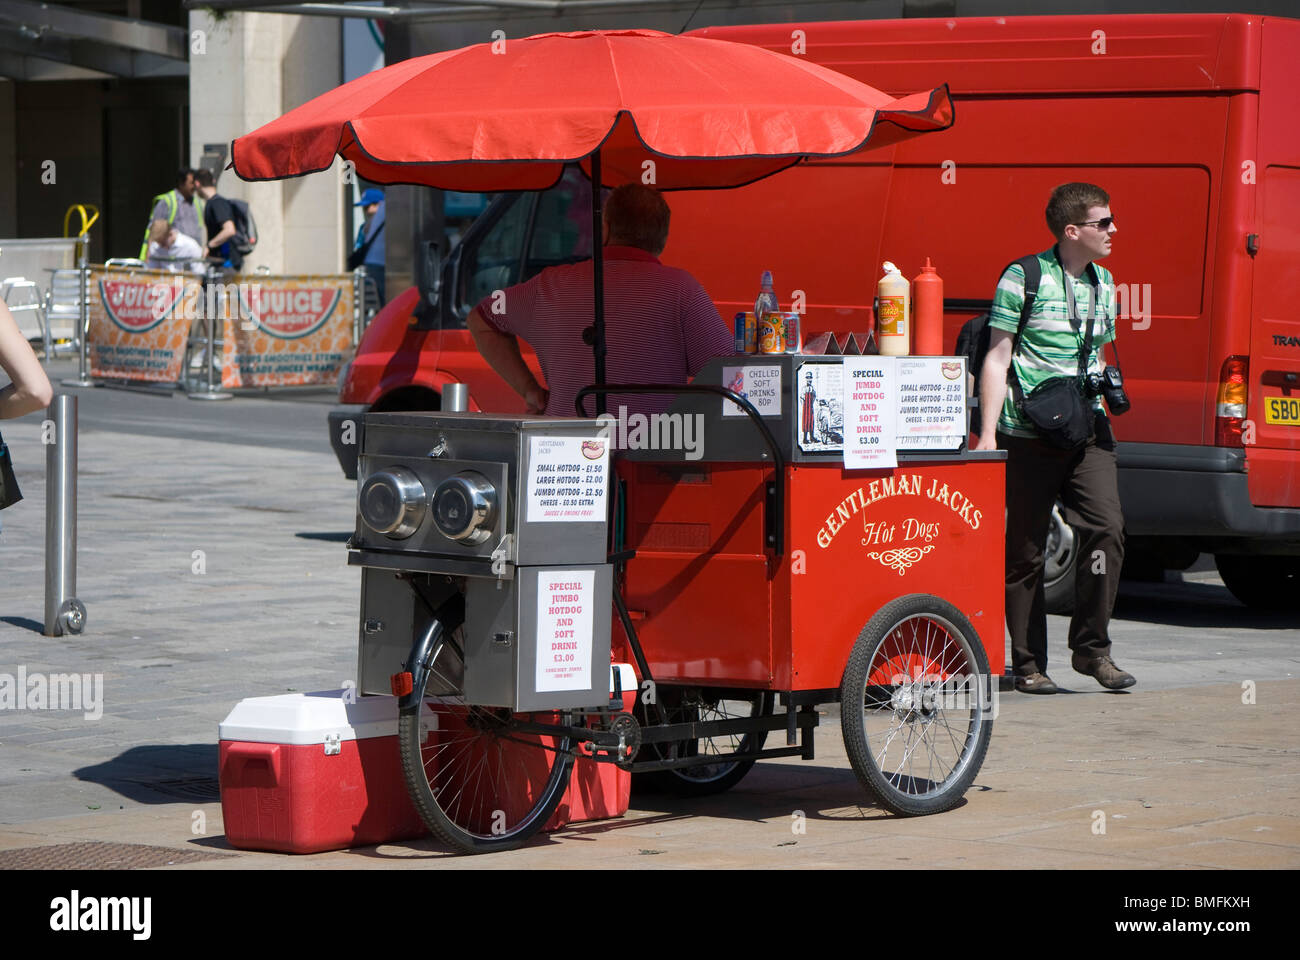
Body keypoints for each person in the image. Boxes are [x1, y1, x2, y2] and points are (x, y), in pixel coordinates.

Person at [975, 182, 1134, 694]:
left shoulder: (1105, 282)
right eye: (1103, 222)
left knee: (1106, 529)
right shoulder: (1021, 278)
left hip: (1086, 427)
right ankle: (1028, 665)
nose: (1113, 230)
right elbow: (998, 358)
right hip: (1027, 431)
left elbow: (1098, 354)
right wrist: (985, 435)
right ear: (1073, 231)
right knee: (1025, 551)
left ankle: (1092, 652)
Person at [467, 183, 731, 419]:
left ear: (604, 229)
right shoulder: (681, 289)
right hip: (655, 452)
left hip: (566, 455)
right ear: (662, 238)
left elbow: (480, 319)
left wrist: (530, 390)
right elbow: (729, 368)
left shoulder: (551, 285)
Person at [138, 168, 205, 258]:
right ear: (181, 183)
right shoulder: (167, 202)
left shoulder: (197, 203)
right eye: (192, 183)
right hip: (172, 259)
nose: (195, 186)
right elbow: (154, 231)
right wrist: (149, 258)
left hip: (193, 257)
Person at [194, 169, 243, 271]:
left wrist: (209, 245)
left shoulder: (217, 203)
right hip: (220, 264)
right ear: (214, 181)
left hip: (226, 265)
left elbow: (229, 230)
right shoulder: (213, 203)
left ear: (197, 184)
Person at [349, 188, 386, 305]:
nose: (366, 211)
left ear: (378, 204)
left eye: (367, 207)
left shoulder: (381, 218)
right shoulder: (365, 226)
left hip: (374, 266)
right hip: (375, 267)